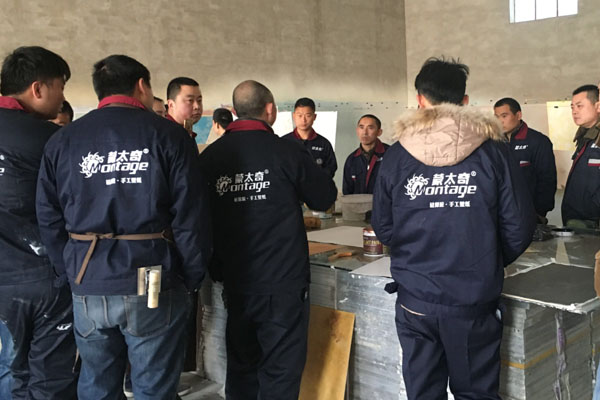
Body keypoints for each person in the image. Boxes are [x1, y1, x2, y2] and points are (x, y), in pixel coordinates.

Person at [36, 54, 212, 400]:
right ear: (142, 86)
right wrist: (190, 276)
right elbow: (191, 217)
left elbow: (48, 215)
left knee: (96, 383)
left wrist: (70, 270)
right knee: (154, 386)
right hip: (152, 279)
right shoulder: (169, 136)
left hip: (88, 279)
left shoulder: (63, 140)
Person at [372, 57, 535, 400]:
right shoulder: (495, 153)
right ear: (464, 101)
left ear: (420, 100)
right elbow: (519, 227)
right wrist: (485, 260)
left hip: (416, 299)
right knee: (476, 393)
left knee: (423, 392)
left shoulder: (397, 156)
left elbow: (384, 227)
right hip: (472, 300)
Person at [199, 80, 337, 399]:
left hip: (235, 280)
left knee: (242, 366)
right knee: (281, 370)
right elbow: (324, 196)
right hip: (282, 280)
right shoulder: (287, 151)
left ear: (235, 111)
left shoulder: (211, 157)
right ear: (270, 110)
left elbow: (198, 219)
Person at [0, 46, 77, 400]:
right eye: (60, 87)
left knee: (9, 369)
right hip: (45, 278)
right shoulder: (51, 140)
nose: (61, 98)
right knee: (51, 376)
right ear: (38, 88)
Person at [493, 97, 556, 221]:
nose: (500, 121)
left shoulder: (538, 141)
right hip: (502, 213)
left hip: (530, 213)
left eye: (504, 116)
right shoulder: (494, 143)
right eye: (496, 117)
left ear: (518, 115)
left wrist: (540, 212)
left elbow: (547, 179)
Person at [561, 84, 600, 228]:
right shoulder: (584, 136)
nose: (574, 111)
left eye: (579, 106)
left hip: (592, 222)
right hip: (578, 220)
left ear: (597, 106)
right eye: (572, 107)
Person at [282, 97, 337, 177]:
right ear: (294, 116)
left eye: (308, 115)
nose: (303, 120)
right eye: (299, 115)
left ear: (314, 117)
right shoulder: (284, 142)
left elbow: (331, 168)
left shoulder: (324, 144)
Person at [342, 114, 389, 194]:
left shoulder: (390, 154)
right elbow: (347, 192)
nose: (365, 132)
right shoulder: (352, 159)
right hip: (358, 202)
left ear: (379, 132)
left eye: (370, 128)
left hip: (383, 202)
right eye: (361, 127)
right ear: (357, 130)